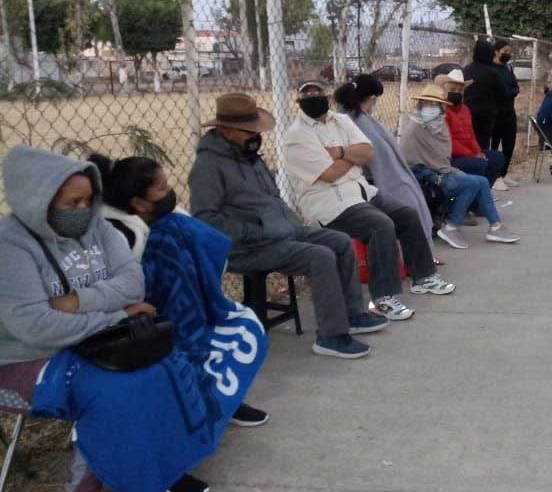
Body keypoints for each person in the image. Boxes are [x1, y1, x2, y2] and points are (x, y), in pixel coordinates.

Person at [0, 145, 244, 492]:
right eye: (71, 203)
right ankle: (98, 484)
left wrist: (77, 302)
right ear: (37, 200)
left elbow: (133, 284)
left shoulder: (95, 226)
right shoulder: (11, 244)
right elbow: (35, 325)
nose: (83, 210)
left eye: (87, 201)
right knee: (117, 391)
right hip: (25, 356)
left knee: (165, 369)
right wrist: (115, 316)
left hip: (91, 341)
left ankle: (161, 472)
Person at [189, 93, 388, 360]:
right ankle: (330, 336)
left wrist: (285, 221)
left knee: (338, 242)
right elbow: (205, 221)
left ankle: (353, 315)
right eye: (248, 131)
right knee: (319, 256)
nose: (254, 135)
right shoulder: (208, 166)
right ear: (225, 130)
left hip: (280, 231)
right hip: (247, 246)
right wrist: (256, 230)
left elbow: (272, 199)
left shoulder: (250, 157)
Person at [94, 153, 270, 425]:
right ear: (139, 203)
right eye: (162, 188)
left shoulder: (167, 219)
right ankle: (202, 404)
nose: (170, 191)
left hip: (187, 307)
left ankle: (224, 397)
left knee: (226, 329)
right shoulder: (119, 236)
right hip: (136, 322)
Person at [283, 82, 455, 322]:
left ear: (327, 95)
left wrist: (340, 153)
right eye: (307, 94)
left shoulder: (341, 120)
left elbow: (368, 153)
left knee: (406, 213)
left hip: (361, 190)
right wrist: (352, 157)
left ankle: (423, 276)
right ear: (299, 101)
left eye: (318, 93)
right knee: (380, 225)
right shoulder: (296, 135)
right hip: (329, 201)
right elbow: (329, 174)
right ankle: (382, 299)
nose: (314, 97)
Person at [399, 84, 520, 249]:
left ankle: (492, 227)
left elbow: (443, 157)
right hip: (428, 177)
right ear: (421, 105)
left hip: (443, 170)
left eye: (437, 104)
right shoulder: (414, 129)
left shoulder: (438, 125)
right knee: (474, 182)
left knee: (481, 181)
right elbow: (410, 160)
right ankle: (456, 227)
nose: (433, 108)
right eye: (429, 104)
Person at [336, 75, 440, 264]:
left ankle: (418, 257)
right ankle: (416, 259)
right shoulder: (355, 121)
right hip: (368, 183)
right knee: (409, 203)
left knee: (411, 198)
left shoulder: (358, 118)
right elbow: (374, 158)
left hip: (377, 179)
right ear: (371, 98)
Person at [439, 69, 506, 186]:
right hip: (450, 156)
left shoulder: (464, 109)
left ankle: (481, 193)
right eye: (453, 90)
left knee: (498, 158)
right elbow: (449, 143)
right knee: (479, 164)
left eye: (460, 90)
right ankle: (473, 193)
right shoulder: (442, 110)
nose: (457, 93)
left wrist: (477, 151)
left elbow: (471, 136)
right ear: (444, 91)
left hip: (466, 153)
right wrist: (472, 154)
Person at [462, 39, 505, 150]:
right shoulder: (493, 73)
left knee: (467, 145)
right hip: (485, 117)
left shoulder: (466, 70)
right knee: (482, 146)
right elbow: (502, 93)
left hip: (466, 114)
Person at [489, 39, 520, 190]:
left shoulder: (508, 68)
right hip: (495, 113)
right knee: (494, 144)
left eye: (509, 52)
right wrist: (506, 93)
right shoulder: (490, 68)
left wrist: (509, 93)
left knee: (509, 143)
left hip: (509, 111)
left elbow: (515, 87)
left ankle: (504, 173)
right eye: (505, 51)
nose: (507, 54)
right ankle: (494, 176)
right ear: (496, 51)